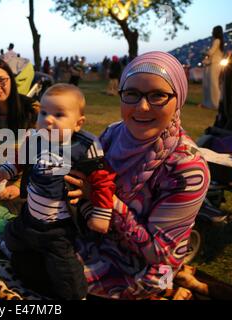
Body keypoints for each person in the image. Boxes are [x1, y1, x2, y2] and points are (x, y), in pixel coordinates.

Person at [64, 51, 211, 299]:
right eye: (131, 94)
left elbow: (159, 253)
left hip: (147, 267)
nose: (142, 107)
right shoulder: (113, 133)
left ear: (179, 100)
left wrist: (106, 200)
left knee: (59, 279)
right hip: (96, 236)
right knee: (31, 249)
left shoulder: (188, 168)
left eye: (158, 96)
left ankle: (173, 281)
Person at [0, 84, 116, 299]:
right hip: (29, 216)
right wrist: (3, 172)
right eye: (44, 113)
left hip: (57, 228)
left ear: (78, 123)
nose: (48, 120)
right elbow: (20, 161)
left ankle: (77, 295)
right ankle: (11, 245)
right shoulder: (35, 139)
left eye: (58, 115)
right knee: (13, 235)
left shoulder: (84, 146)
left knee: (64, 269)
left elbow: (102, 181)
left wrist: (102, 213)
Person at [0, 58, 39, 213]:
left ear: (11, 80)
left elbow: (41, 156)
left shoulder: (32, 110)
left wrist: (19, 186)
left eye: (1, 80)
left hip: (29, 184)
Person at [199, 25, 224, 109]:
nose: (211, 32)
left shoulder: (217, 41)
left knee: (213, 84)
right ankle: (208, 103)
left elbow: (210, 52)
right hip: (211, 65)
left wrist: (203, 51)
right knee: (208, 84)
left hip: (214, 65)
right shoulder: (217, 41)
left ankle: (215, 104)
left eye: (213, 31)